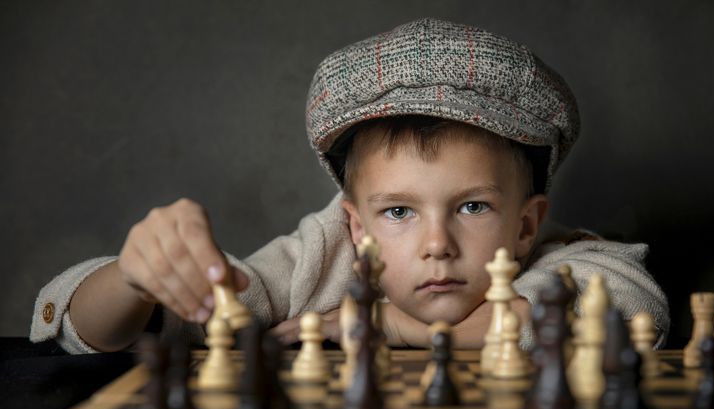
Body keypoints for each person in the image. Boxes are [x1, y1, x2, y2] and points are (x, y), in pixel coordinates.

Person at [30, 18, 669, 354]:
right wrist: (138, 280)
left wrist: (397, 326)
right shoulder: (323, 259)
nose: (437, 244)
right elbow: (129, 329)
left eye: (473, 206)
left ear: (526, 225)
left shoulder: (562, 263)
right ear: (355, 225)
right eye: (398, 212)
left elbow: (635, 308)